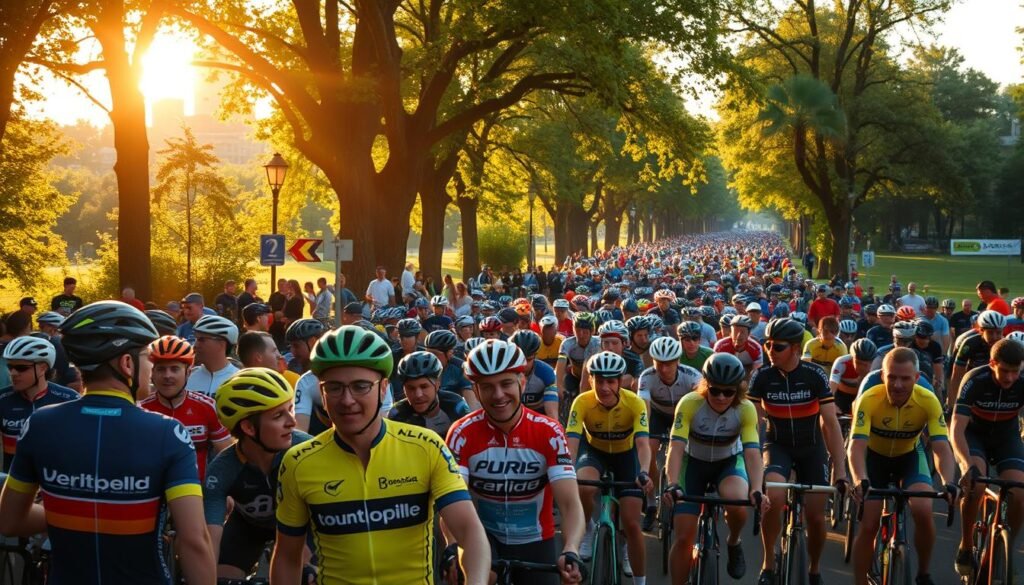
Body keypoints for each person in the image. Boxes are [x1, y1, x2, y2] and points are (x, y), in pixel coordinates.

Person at [0, 301, 216, 584]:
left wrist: (72, 510)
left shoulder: (40, 424)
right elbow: (194, 541)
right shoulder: (168, 433)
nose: (151, 368)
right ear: (127, 364)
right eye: (147, 357)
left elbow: (10, 520)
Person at [271, 326, 490, 585]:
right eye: (334, 387)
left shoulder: (426, 447)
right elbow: (287, 556)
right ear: (322, 392)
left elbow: (470, 531)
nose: (347, 400)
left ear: (384, 388)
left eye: (361, 386)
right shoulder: (299, 462)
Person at [446, 339, 585, 585]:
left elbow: (570, 503)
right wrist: (452, 546)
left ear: (522, 382)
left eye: (506, 383)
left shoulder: (549, 433)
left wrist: (571, 548)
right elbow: (452, 504)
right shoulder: (462, 433)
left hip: (535, 539)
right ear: (475, 391)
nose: (498, 395)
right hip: (482, 536)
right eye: (487, 387)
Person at [748, 317, 847, 585]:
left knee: (816, 517)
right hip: (777, 445)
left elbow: (830, 423)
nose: (770, 350)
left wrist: (840, 467)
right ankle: (769, 561)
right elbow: (753, 425)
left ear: (794, 348)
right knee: (774, 498)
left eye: (777, 346)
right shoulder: (762, 376)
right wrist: (752, 465)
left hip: (811, 447)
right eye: (767, 344)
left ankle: (814, 568)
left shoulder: (814, 375)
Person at [848, 348, 958, 585]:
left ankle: (923, 572)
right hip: (874, 459)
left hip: (909, 457)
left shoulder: (928, 400)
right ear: (882, 376)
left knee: (923, 508)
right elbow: (856, 447)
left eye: (905, 378)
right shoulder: (869, 399)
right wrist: (859, 479)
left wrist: (949, 482)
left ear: (917, 378)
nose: (897, 385)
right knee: (869, 524)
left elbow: (941, 448)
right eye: (892, 377)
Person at [664, 353, 767, 581]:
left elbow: (751, 452)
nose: (721, 397)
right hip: (693, 465)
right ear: (705, 386)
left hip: (727, 463)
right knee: (683, 539)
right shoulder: (690, 403)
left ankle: (733, 540)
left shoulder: (746, 408)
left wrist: (757, 488)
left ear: (738, 390)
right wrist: (672, 483)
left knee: (737, 502)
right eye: (715, 390)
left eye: (728, 392)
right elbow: (676, 447)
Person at [205, 367, 311, 580]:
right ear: (249, 428)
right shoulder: (222, 469)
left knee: (308, 575)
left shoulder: (307, 450)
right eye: (279, 415)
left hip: (303, 527)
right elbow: (208, 544)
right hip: (248, 527)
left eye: (290, 409)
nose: (292, 422)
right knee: (221, 578)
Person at [567, 351, 652, 582]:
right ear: (591, 379)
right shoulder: (582, 401)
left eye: (610, 381)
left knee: (632, 523)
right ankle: (587, 528)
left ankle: (638, 578)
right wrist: (565, 469)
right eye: (599, 380)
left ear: (620, 381)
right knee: (583, 487)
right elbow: (572, 442)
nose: (604, 387)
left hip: (626, 455)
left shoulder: (634, 402)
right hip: (595, 451)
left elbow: (643, 445)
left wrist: (644, 471)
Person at [950, 338, 1024, 575]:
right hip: (975, 436)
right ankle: (967, 545)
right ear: (993, 363)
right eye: (1004, 370)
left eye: (1015, 371)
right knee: (976, 485)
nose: (1010, 378)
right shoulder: (975, 380)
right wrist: (965, 464)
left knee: (1020, 492)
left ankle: (1004, 549)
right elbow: (957, 427)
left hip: (1006, 437)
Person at [139, 336, 231, 481]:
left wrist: (223, 490)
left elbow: (226, 455)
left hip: (197, 492)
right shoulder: (141, 409)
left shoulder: (207, 406)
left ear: (188, 373)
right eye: (161, 369)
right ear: (152, 374)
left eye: (174, 369)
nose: (167, 375)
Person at [637, 336, 702, 530]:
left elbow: (698, 409)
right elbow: (645, 411)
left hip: (683, 415)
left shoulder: (692, 376)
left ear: (678, 361)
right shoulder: (646, 377)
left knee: (686, 452)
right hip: (658, 414)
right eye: (659, 364)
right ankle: (650, 503)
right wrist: (644, 434)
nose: (664, 369)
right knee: (647, 450)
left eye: (669, 364)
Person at [0, 337, 78, 472]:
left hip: (53, 482)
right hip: (13, 482)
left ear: (42, 368)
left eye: (21, 368)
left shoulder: (70, 399)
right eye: (10, 367)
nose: (12, 373)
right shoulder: (2, 399)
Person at [948, 310, 1007, 413]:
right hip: (971, 382)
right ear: (981, 330)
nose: (994, 337)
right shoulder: (969, 344)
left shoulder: (1006, 345)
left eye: (998, 332)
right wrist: (952, 406)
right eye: (990, 332)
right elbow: (956, 376)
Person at [508, 329, 560, 419]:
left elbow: (552, 413)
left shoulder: (546, 373)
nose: (523, 364)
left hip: (539, 414)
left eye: (528, 359)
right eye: (519, 359)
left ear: (535, 356)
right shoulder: (504, 372)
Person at [185, 314, 240, 396]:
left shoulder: (239, 379)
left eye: (201, 339)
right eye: (195, 339)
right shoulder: (186, 377)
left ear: (221, 344)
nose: (195, 345)